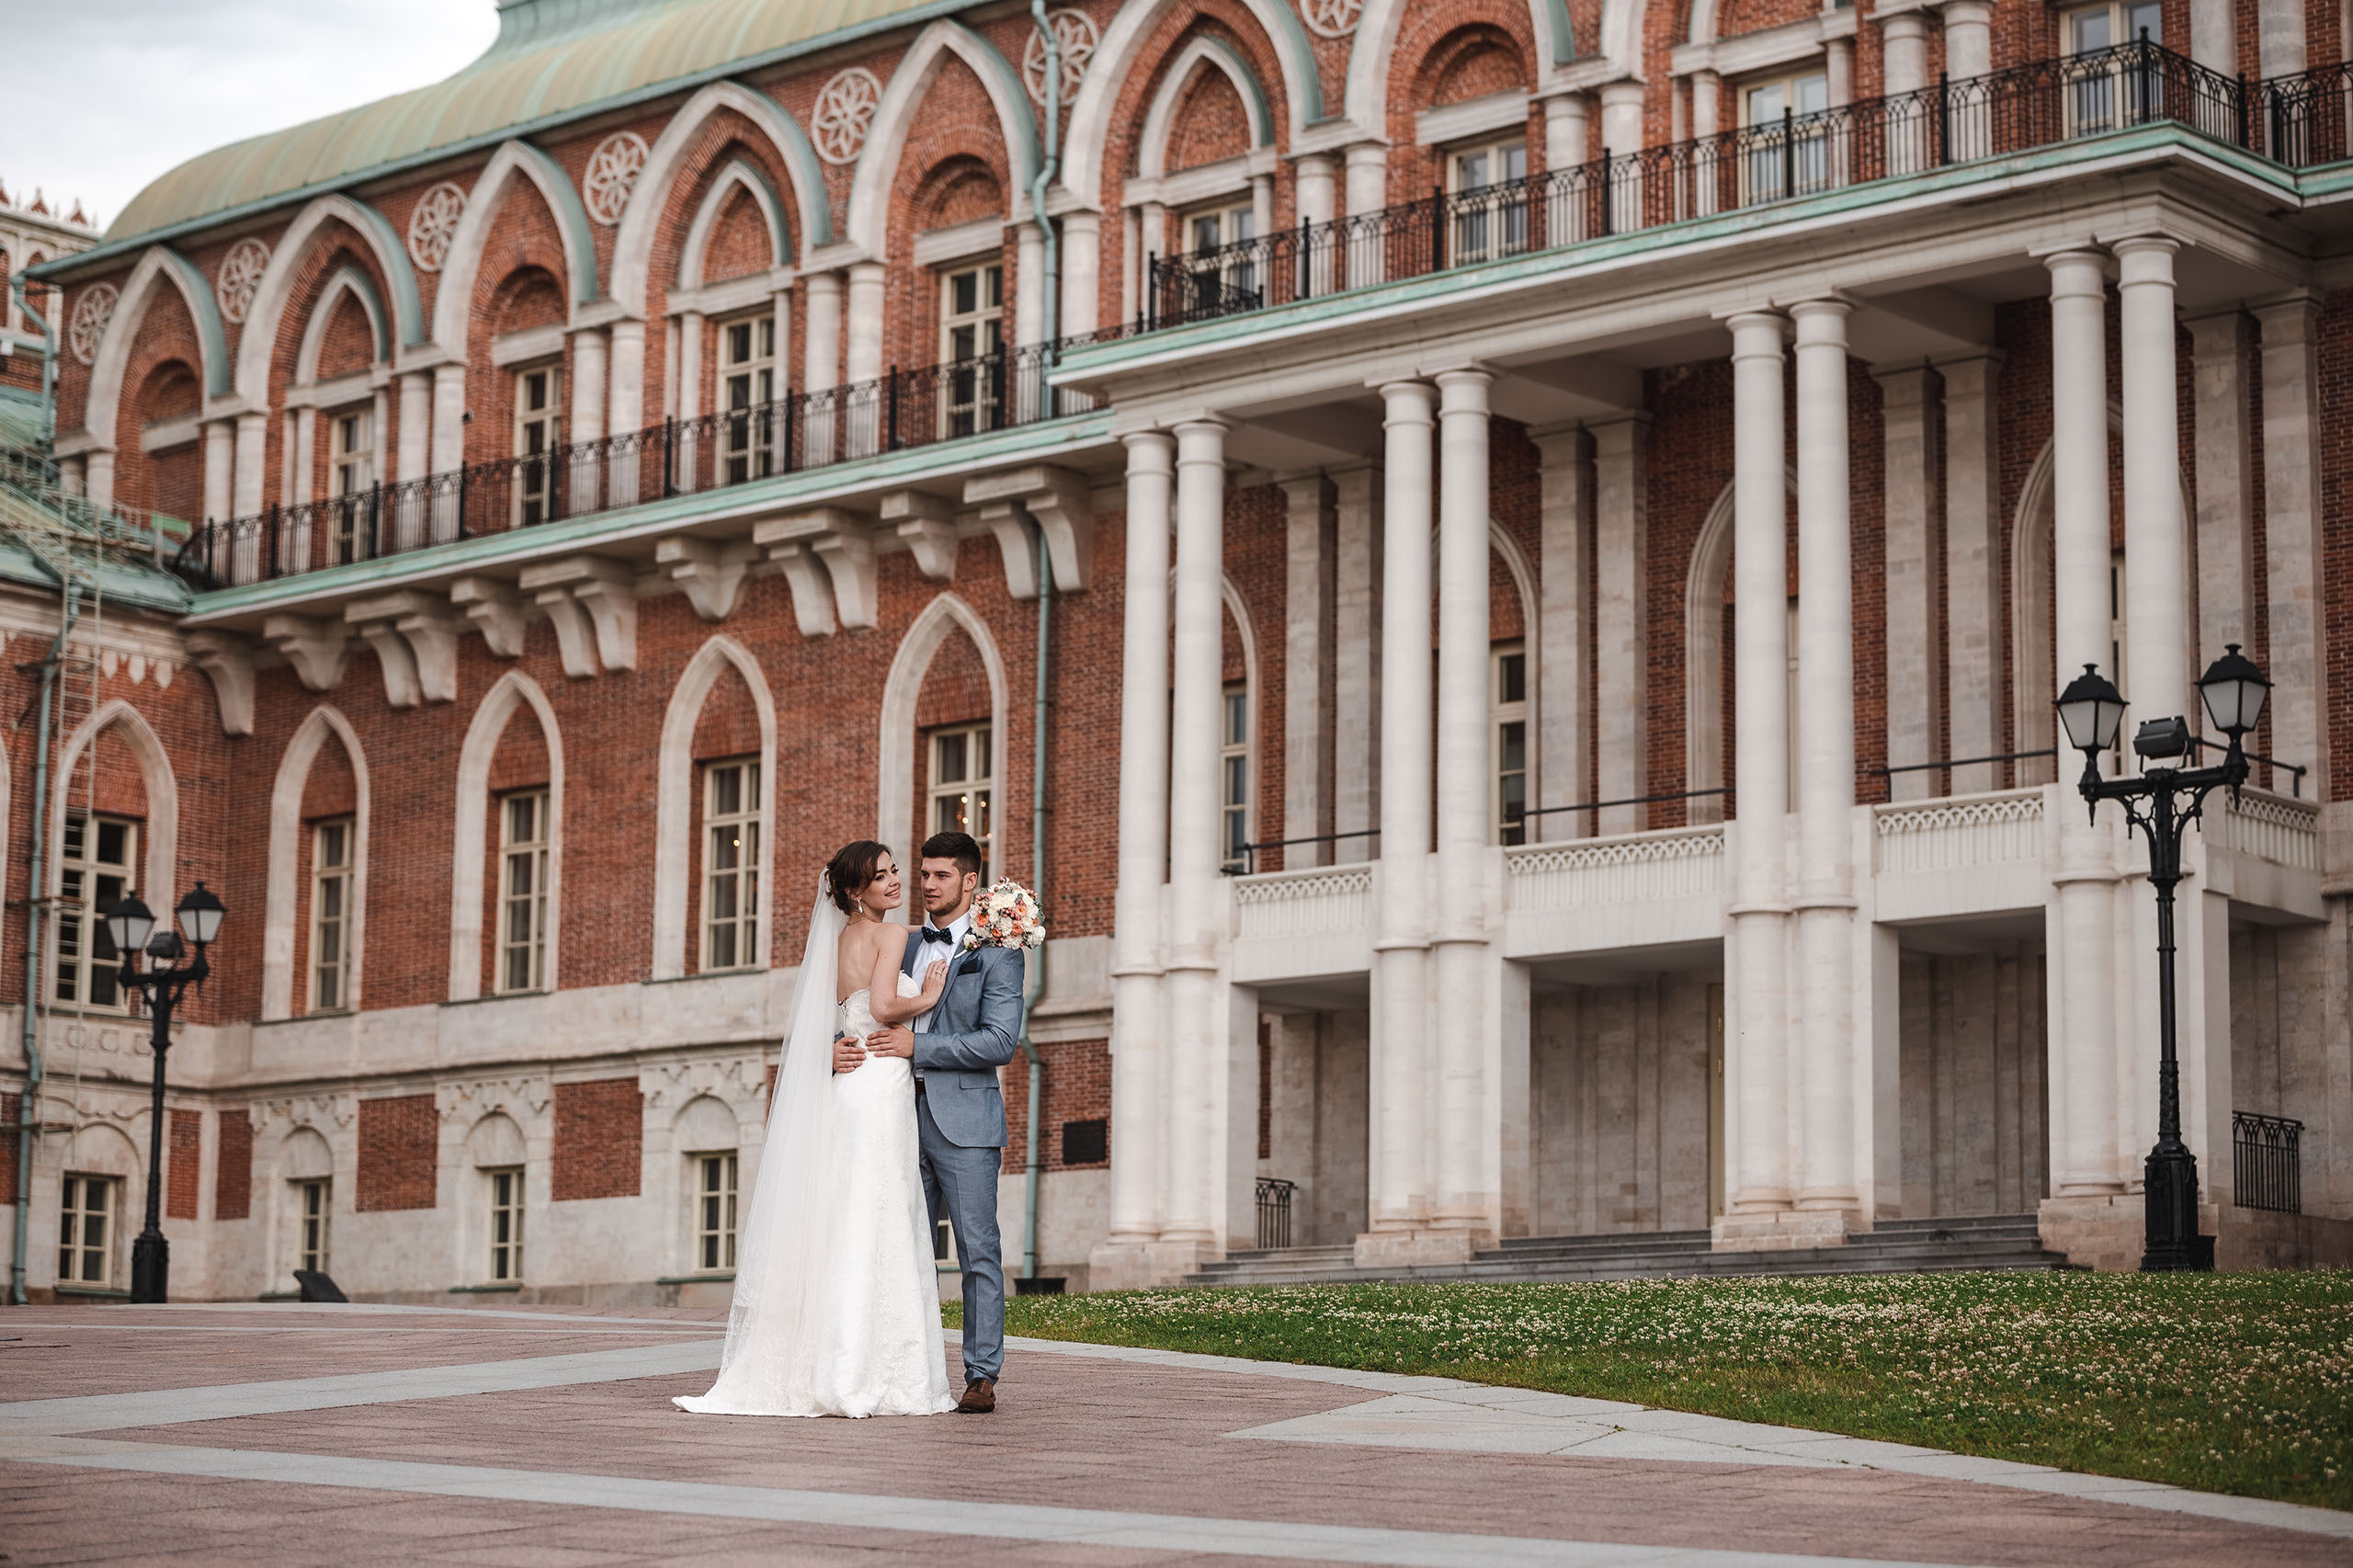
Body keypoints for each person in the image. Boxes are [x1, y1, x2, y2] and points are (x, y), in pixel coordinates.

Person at [672, 841, 956, 1418]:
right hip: (878, 1078)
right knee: (879, 1216)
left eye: (895, 870)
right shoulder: (892, 934)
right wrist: (928, 993)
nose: (896, 882)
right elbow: (880, 1004)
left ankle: (827, 1360)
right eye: (883, 877)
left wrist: (830, 1053)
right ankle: (865, 1371)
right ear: (856, 891)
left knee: (842, 1215)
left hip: (846, 1083)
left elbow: (821, 1023)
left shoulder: (835, 941)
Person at [837, 831, 1023, 1415]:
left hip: (964, 1122)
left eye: (940, 876)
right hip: (889, 1117)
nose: (926, 886)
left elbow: (1000, 1041)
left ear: (970, 882)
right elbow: (851, 1007)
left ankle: (981, 1374)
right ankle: (887, 1371)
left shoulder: (1000, 951)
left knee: (977, 1251)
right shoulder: (901, 939)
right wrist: (832, 1050)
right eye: (922, 875)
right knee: (892, 1246)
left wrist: (919, 1046)